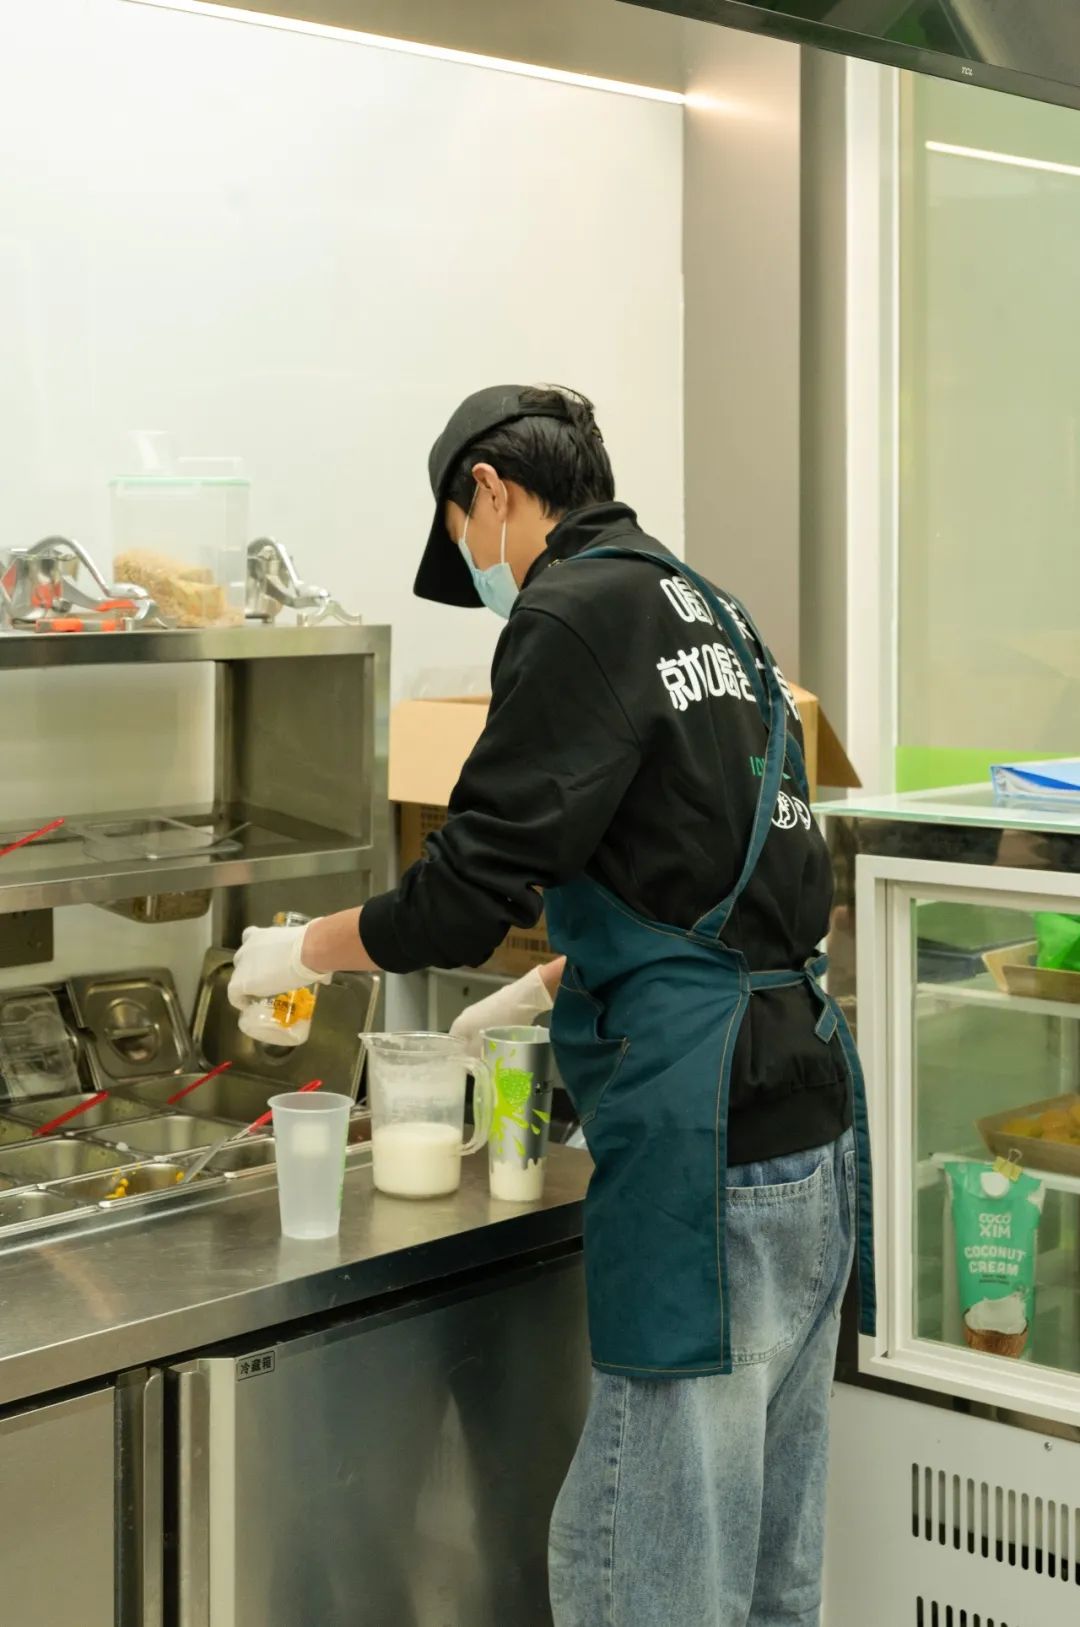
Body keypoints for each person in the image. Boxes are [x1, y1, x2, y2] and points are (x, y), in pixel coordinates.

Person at [228, 383, 875, 1626]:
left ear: (491, 491)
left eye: (465, 540)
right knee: (763, 1570)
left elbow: (461, 896)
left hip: (703, 1141)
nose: (483, 572)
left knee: (646, 1569)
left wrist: (300, 948)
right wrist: (556, 977)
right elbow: (734, 885)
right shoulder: (711, 608)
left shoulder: (572, 611)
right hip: (809, 1123)